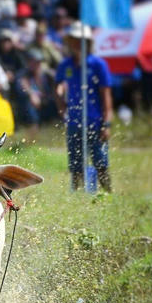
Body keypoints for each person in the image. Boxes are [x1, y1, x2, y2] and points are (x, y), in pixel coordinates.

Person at [55, 24, 115, 191]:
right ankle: (77, 198)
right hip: (74, 122)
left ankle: (108, 195)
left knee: (101, 163)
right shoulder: (65, 65)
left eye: (80, 40)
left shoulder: (98, 65)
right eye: (73, 40)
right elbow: (57, 86)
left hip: (95, 122)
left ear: (87, 42)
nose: (76, 44)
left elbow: (106, 97)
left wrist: (106, 124)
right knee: (76, 166)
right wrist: (61, 106)